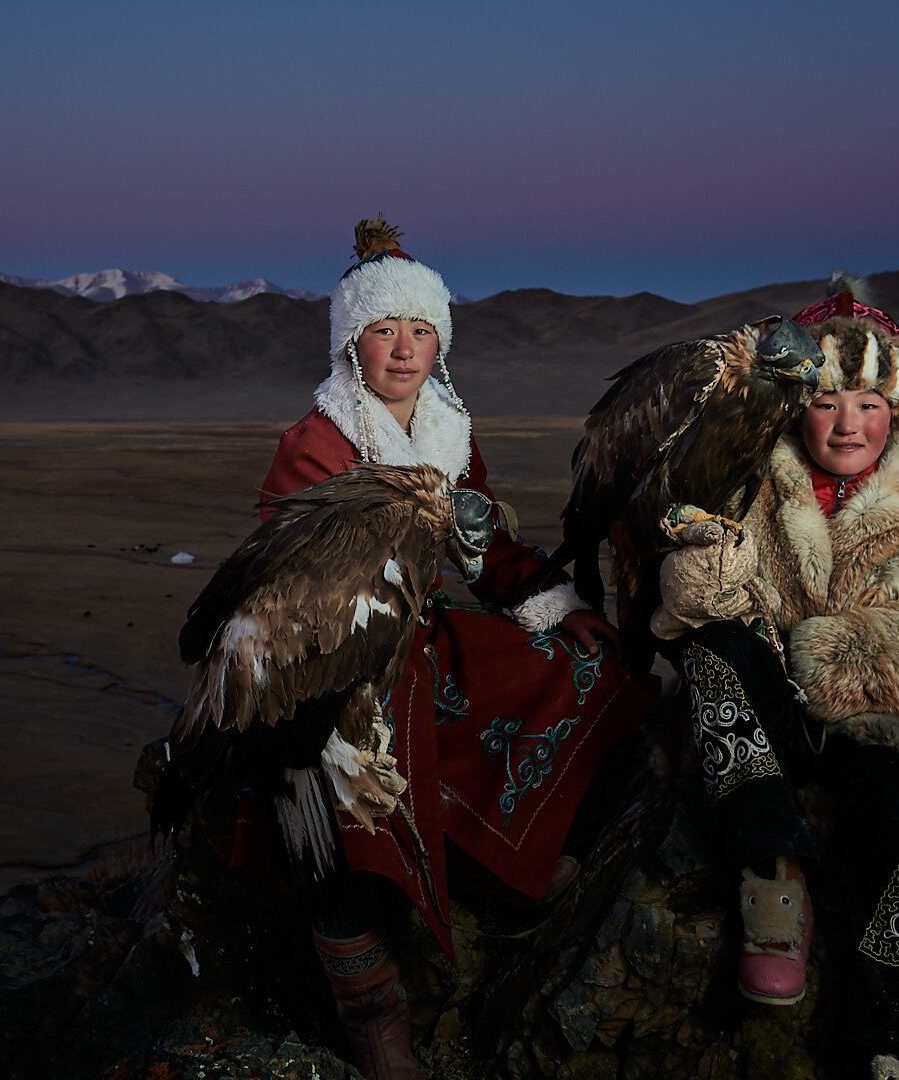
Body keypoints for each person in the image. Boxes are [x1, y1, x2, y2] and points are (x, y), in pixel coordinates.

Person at [240, 218, 656, 1080]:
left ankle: (506, 861)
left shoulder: (448, 433)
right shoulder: (314, 442)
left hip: (418, 632)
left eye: (420, 331)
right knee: (351, 769)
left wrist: (553, 599)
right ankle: (373, 1013)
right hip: (331, 656)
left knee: (578, 665)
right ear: (353, 341)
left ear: (440, 343)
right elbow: (279, 579)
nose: (403, 350)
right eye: (385, 330)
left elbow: (484, 546)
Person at [659, 274, 899, 1080]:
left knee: (894, 808)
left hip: (879, 723)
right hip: (777, 713)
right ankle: (773, 877)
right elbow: (699, 602)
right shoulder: (750, 480)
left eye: (870, 404)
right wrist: (707, 572)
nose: (848, 423)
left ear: (897, 411)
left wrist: (834, 655)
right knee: (716, 652)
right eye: (826, 401)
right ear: (797, 404)